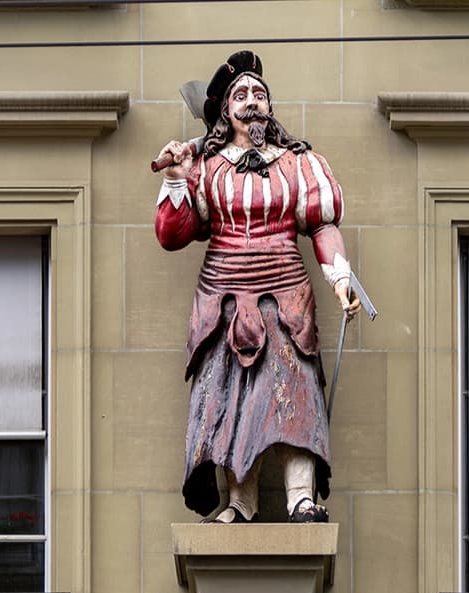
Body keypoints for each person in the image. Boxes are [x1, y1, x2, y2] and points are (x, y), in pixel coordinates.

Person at [153, 50, 359, 524]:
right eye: (241, 95)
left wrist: (340, 279)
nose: (252, 102)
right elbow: (172, 235)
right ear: (226, 110)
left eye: (260, 95)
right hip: (224, 298)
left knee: (296, 394)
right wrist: (177, 179)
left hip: (286, 296)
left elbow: (322, 226)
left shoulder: (301, 164)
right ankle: (240, 503)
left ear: (269, 107)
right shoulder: (205, 167)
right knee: (232, 400)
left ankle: (301, 497)